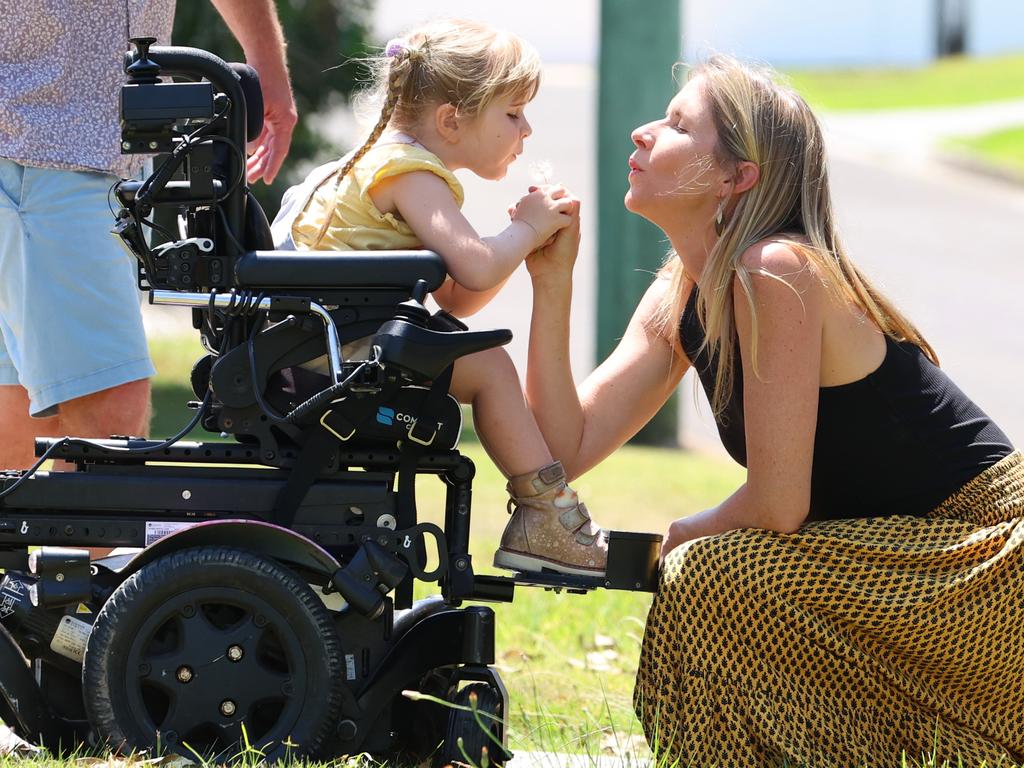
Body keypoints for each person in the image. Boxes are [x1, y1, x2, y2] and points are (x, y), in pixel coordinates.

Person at [523, 54, 1023, 766]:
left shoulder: (775, 271)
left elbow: (778, 505)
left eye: (675, 125)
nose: (641, 133)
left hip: (986, 559)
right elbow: (560, 448)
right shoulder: (682, 293)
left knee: (713, 572)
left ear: (737, 177)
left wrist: (679, 535)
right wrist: (553, 283)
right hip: (895, 559)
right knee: (718, 570)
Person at [271, 18, 606, 577]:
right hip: (333, 357)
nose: (526, 130)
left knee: (477, 355)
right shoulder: (408, 170)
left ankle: (543, 511)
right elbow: (474, 269)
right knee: (493, 367)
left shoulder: (383, 162)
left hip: (319, 346)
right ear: (452, 120)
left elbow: (456, 298)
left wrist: (517, 244)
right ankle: (544, 515)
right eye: (513, 112)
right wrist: (522, 230)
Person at [0, 0, 297, 471]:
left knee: (26, 411)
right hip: (46, 141)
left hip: (79, 146)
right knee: (104, 414)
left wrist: (266, 66)